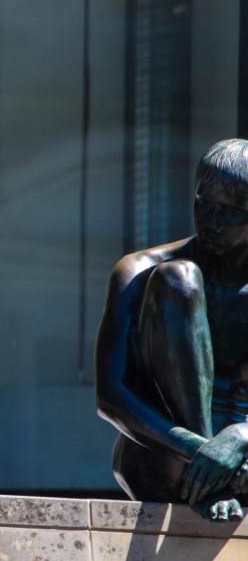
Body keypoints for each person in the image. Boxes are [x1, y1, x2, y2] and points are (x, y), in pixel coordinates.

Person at [96, 138, 248, 522]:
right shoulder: (138, 270)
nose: (209, 222)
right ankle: (210, 479)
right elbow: (111, 395)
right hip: (164, 459)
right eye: (203, 204)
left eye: (229, 212)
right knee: (178, 279)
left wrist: (242, 437)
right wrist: (205, 455)